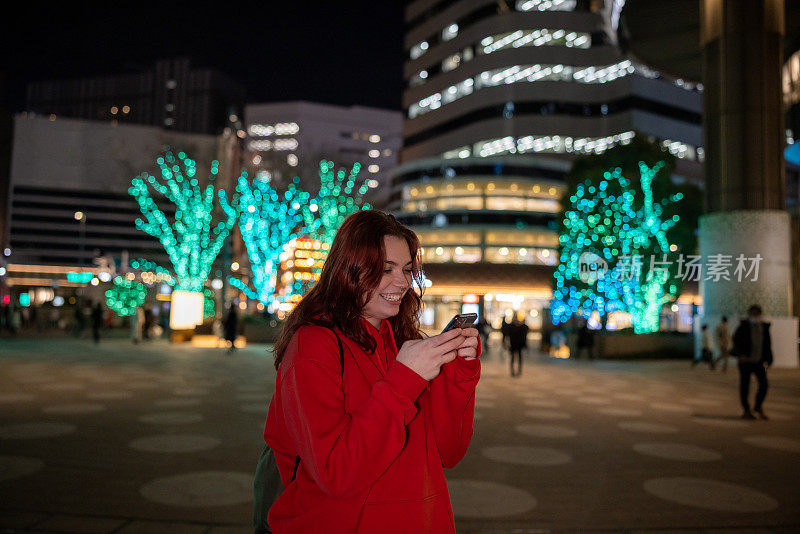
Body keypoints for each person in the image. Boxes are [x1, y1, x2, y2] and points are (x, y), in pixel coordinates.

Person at [263, 210, 481, 533]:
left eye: (407, 269)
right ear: (349, 270)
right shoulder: (312, 346)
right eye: (385, 269)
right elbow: (336, 473)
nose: (402, 282)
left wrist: (459, 374)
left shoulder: (405, 344)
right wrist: (403, 381)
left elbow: (449, 452)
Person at [731, 304, 773, 420]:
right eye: (753, 314)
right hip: (745, 362)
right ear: (749, 314)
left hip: (758, 362)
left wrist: (769, 360)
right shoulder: (743, 327)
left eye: (757, 314)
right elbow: (735, 340)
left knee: (764, 385)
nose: (755, 316)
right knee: (745, 386)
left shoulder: (764, 328)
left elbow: (767, 345)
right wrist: (740, 355)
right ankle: (746, 410)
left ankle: (758, 406)